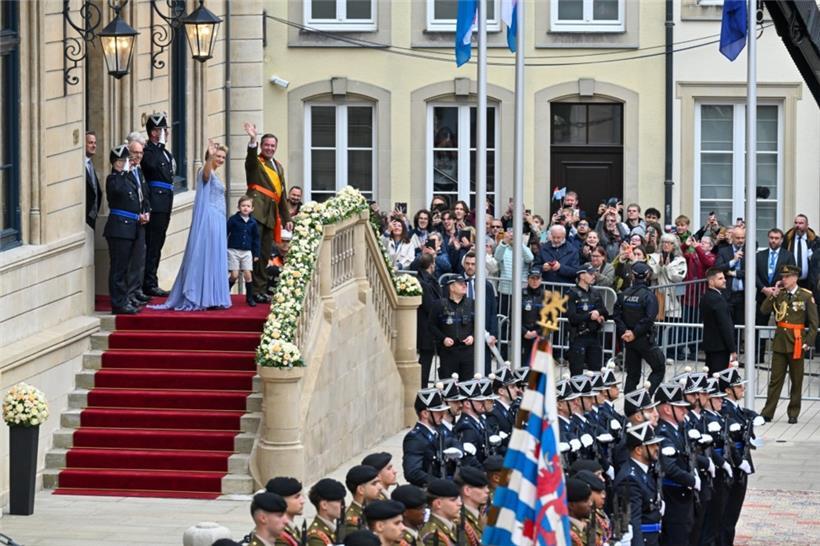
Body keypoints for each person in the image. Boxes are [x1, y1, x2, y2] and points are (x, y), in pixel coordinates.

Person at [152, 140, 231, 311]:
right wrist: (209, 157)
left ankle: (212, 296)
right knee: (207, 255)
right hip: (209, 219)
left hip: (218, 219)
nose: (221, 159)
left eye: (223, 157)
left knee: (214, 256)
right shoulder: (205, 170)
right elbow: (206, 176)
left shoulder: (217, 174)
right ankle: (201, 296)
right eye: (218, 156)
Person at [760, 264, 819, 424]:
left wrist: (808, 342)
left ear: (795, 277)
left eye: (787, 277)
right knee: (775, 380)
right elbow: (764, 310)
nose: (783, 279)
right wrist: (773, 294)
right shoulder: (780, 294)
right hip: (780, 342)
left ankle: (793, 412)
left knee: (796, 380)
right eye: (782, 277)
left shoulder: (806, 296)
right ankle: (767, 412)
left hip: (797, 342)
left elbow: (814, 323)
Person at [243, 122, 292, 303]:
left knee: (265, 254)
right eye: (266, 145)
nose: (269, 148)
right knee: (254, 253)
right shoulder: (256, 163)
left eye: (272, 146)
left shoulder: (278, 166)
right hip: (257, 213)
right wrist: (253, 140)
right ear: (262, 146)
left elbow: (282, 194)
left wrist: (286, 218)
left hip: (271, 215)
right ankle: (253, 291)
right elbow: (250, 159)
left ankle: (261, 290)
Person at [103, 144, 151, 315]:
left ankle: (126, 299)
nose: (128, 163)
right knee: (119, 268)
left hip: (132, 228)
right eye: (124, 161)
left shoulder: (128, 177)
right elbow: (116, 191)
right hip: (119, 229)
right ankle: (118, 303)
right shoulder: (114, 179)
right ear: (116, 163)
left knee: (127, 266)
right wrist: (123, 170)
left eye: (127, 160)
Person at [653, 382, 698, 545]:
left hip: (682, 497)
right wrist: (692, 480)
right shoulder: (664, 433)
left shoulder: (676, 430)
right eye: (679, 407)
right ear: (666, 409)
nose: (685, 410)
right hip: (673, 497)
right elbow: (669, 467)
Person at [613, 262, 666, 394]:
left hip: (629, 340)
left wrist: (626, 332)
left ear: (632, 276)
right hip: (643, 340)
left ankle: (629, 407)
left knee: (632, 375)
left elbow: (616, 316)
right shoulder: (649, 296)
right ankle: (645, 398)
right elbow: (649, 318)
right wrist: (633, 333)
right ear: (647, 275)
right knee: (659, 368)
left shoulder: (623, 294)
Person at [140, 113, 176, 297]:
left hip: (165, 202)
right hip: (156, 201)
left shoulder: (164, 152)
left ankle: (151, 279)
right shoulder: (149, 152)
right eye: (162, 130)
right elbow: (152, 167)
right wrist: (159, 145)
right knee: (152, 243)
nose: (166, 133)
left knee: (158, 243)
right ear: (153, 133)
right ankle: (148, 282)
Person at [612, 421, 663, 546]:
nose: (657, 447)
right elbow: (634, 522)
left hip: (653, 537)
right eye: (652, 445)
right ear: (639, 450)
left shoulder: (644, 470)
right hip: (643, 539)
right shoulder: (629, 479)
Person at [429, 274, 475, 380]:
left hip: (467, 351)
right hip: (448, 352)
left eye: (465, 284)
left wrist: (473, 336)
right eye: (460, 284)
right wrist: (443, 338)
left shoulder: (472, 304)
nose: (464, 286)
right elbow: (431, 325)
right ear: (451, 287)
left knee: (467, 386)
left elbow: (479, 325)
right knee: (448, 385)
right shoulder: (439, 305)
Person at [403, 388, 451, 487]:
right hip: (427, 491)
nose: (442, 415)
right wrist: (438, 484)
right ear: (425, 414)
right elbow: (412, 472)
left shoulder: (438, 431)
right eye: (438, 412)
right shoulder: (415, 438)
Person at [566, 263, 609, 375]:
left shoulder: (595, 292)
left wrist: (599, 314)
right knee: (577, 373)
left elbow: (605, 311)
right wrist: (589, 316)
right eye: (590, 274)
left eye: (594, 273)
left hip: (594, 336)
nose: (593, 276)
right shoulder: (572, 293)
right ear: (581, 276)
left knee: (596, 373)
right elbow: (572, 318)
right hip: (578, 336)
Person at [125, 139, 152, 309]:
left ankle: (136, 290)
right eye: (135, 153)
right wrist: (137, 215)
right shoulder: (125, 172)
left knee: (140, 257)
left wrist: (147, 212)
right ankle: (129, 294)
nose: (138, 156)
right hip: (130, 221)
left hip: (142, 220)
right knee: (130, 260)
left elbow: (145, 194)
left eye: (141, 153)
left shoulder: (139, 171)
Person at [700, 268, 736, 374]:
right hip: (720, 347)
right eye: (720, 278)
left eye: (724, 278)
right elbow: (725, 325)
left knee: (711, 380)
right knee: (718, 381)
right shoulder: (717, 299)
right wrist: (732, 349)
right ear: (711, 281)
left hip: (711, 346)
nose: (724, 280)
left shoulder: (706, 297)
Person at [227, 195, 261, 307]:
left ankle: (249, 298)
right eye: (243, 206)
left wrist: (256, 254)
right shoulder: (233, 220)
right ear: (238, 207)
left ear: (252, 209)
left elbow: (256, 239)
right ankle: (225, 293)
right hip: (233, 250)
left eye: (248, 206)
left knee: (248, 274)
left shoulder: (253, 223)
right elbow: (225, 233)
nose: (245, 208)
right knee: (234, 275)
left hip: (247, 252)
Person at [715, 228, 746, 327]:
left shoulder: (749, 252)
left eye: (742, 238)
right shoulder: (723, 251)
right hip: (728, 293)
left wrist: (734, 273)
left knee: (739, 325)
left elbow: (751, 271)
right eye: (737, 238)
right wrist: (733, 261)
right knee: (726, 324)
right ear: (732, 238)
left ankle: (737, 343)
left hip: (742, 295)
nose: (740, 240)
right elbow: (718, 268)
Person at [419, 479, 461, 546]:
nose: (460, 503)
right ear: (438, 504)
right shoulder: (433, 536)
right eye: (453, 500)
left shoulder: (455, 525)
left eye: (459, 499)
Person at [264, 477, 305, 546]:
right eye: (296, 497)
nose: (303, 501)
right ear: (281, 501)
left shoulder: (291, 528)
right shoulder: (278, 535)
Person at [344, 465, 383, 536]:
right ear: (361, 489)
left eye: (379, 483)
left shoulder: (378, 506)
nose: (380, 487)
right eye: (374, 484)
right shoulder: (352, 521)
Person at [455, 466, 490, 546]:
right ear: (467, 491)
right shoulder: (459, 522)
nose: (487, 490)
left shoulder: (481, 516)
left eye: (487, 487)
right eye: (482, 487)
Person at [307, 478, 347, 546]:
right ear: (324, 505)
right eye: (338, 502)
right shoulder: (315, 537)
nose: (342, 506)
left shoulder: (335, 529)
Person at [784, 214, 817, 289]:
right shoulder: (787, 240)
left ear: (807, 225)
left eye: (801, 223)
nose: (797, 225)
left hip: (809, 283)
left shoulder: (815, 241)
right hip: (790, 283)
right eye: (796, 223)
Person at [521, 266, 545, 362]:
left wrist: (537, 332)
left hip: (540, 336)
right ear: (528, 279)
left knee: (538, 370)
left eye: (537, 278)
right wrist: (524, 332)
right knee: (522, 368)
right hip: (523, 336)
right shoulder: (520, 294)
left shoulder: (546, 296)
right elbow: (513, 316)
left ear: (541, 279)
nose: (535, 281)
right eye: (532, 278)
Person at [566, 477, 594, 546]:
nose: (591, 504)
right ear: (571, 505)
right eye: (585, 501)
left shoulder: (584, 525)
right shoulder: (567, 535)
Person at [84, 131, 103, 230]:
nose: (94, 145)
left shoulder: (90, 164)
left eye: (95, 143)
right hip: (84, 217)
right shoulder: (79, 164)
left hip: (92, 217)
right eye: (90, 143)